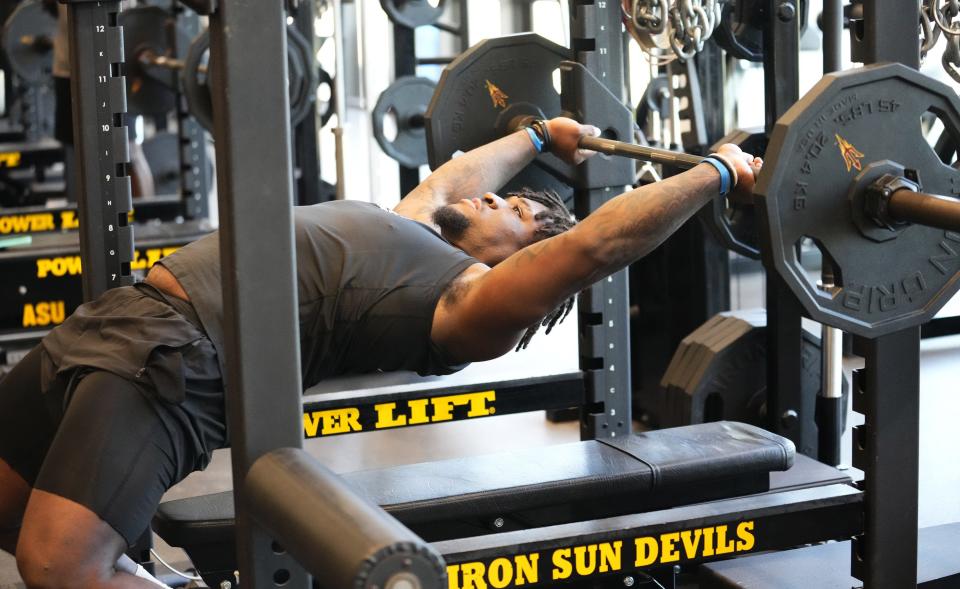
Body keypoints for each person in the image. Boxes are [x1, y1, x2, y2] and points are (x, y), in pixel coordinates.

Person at [0, 116, 759, 587]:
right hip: (116, 322)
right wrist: (533, 136)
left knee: (60, 565)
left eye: (520, 215)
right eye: (510, 193)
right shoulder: (413, 230)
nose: (498, 197)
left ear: (520, 268)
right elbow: (453, 181)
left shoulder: (465, 305)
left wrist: (715, 171)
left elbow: (598, 244)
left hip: (170, 362)